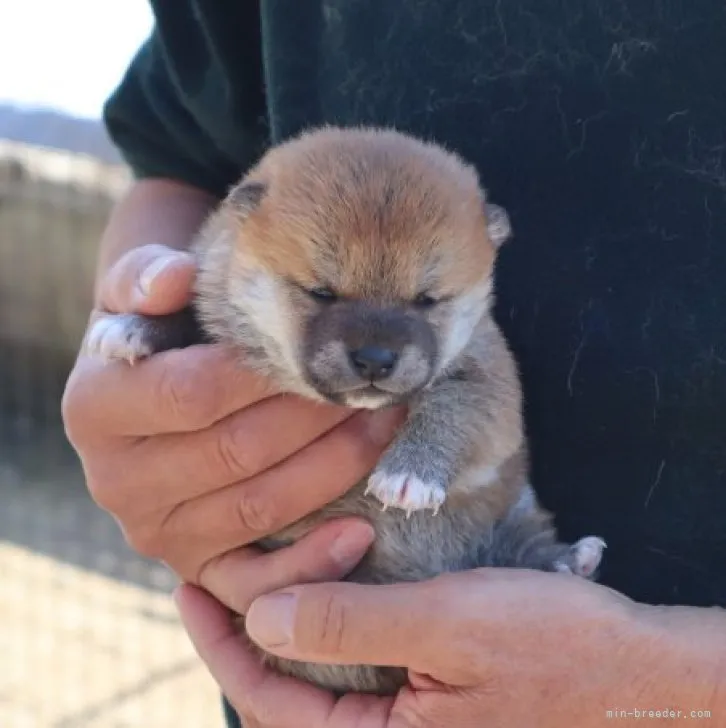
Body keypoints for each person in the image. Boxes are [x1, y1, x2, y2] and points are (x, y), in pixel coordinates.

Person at [61, 2, 726, 726]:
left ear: (487, 252)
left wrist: (672, 685)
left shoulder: (470, 348)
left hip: (519, 578)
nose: (377, 349)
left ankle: (545, 563)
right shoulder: (229, 254)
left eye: (428, 301)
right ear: (244, 227)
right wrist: (144, 347)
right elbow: (177, 169)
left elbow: (482, 406)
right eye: (320, 292)